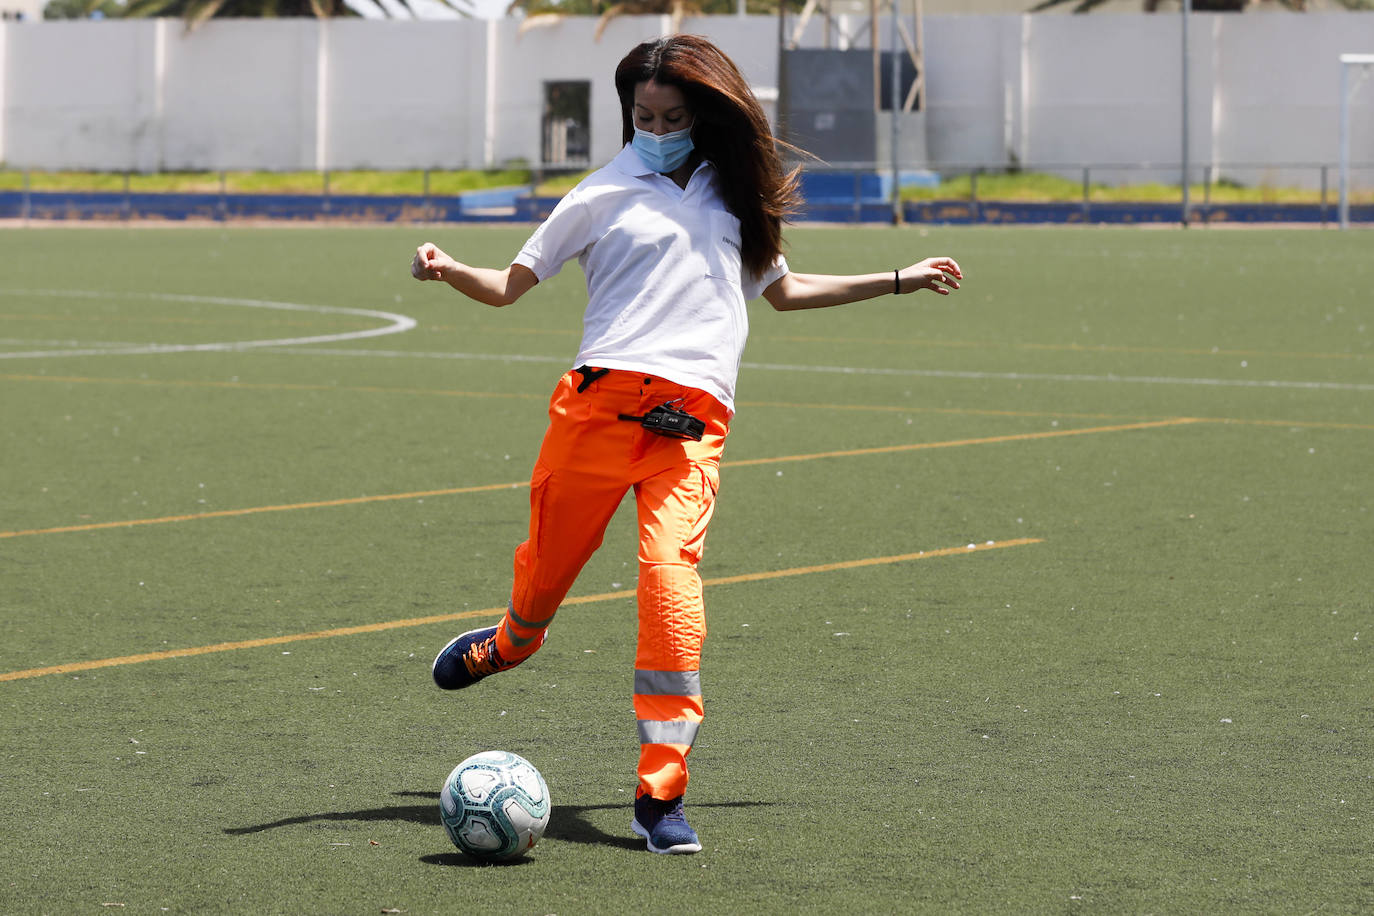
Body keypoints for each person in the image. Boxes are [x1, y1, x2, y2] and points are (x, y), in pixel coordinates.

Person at [410, 34, 961, 856]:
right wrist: (447, 266)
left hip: (692, 427)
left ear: (703, 116)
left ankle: (658, 794)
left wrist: (897, 278)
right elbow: (506, 288)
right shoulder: (599, 194)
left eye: (672, 115)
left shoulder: (736, 198)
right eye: (643, 114)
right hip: (594, 415)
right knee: (544, 583)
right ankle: (509, 643)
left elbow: (785, 292)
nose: (656, 126)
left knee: (672, 591)